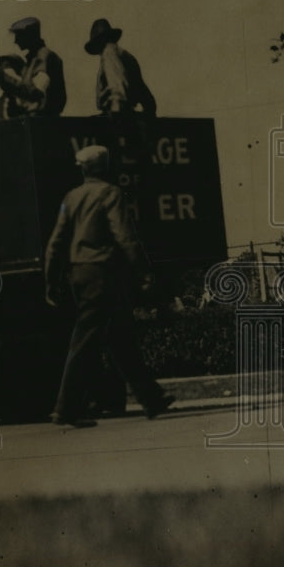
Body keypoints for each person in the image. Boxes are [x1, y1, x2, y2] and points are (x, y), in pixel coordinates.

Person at [43, 145, 174, 427]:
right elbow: (124, 236)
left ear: (82, 168)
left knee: (119, 336)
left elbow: (55, 243)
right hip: (103, 273)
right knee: (86, 339)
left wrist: (51, 279)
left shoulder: (71, 197)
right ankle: (65, 409)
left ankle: (152, 398)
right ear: (106, 166)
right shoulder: (110, 193)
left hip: (78, 274)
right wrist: (143, 272)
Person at [85, 18, 156, 165]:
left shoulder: (109, 53)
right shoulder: (126, 56)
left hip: (120, 118)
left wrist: (116, 123)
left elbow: (117, 89)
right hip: (131, 117)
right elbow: (145, 95)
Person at [0, 17, 66, 118]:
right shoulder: (32, 60)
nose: (15, 41)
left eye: (19, 36)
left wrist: (3, 78)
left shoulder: (44, 57)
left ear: (30, 36)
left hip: (42, 121)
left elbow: (35, 94)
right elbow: (24, 92)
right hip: (34, 120)